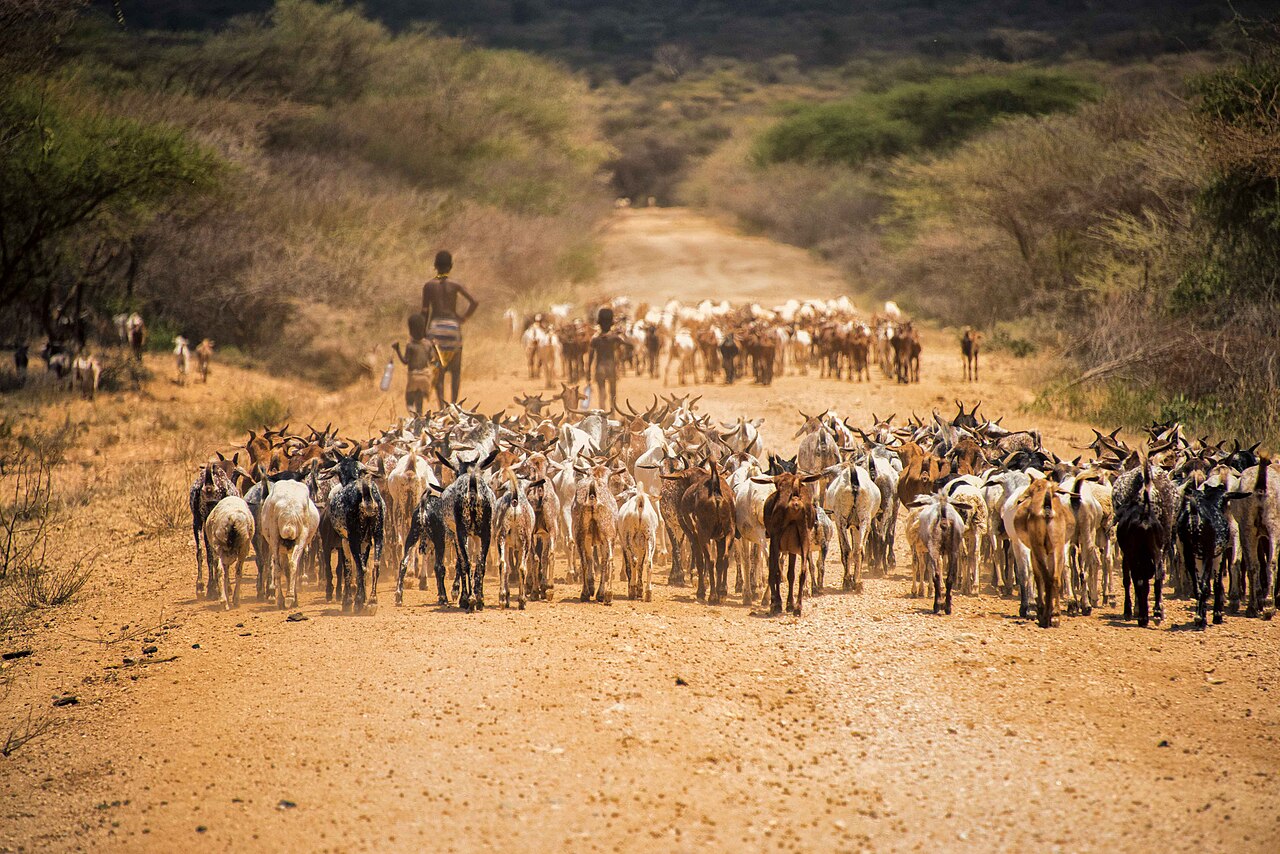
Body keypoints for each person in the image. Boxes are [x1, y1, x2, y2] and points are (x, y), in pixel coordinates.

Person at [421, 250, 478, 404]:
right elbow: (474, 302)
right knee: (456, 371)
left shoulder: (429, 286)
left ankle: (442, 408)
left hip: (435, 330)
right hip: (453, 328)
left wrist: (423, 334)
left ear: (435, 266)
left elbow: (424, 312)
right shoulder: (455, 285)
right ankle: (454, 406)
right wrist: (462, 318)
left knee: (439, 369)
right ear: (451, 266)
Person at [392, 314, 438, 415]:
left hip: (413, 376)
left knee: (409, 402)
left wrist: (397, 349)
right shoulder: (428, 344)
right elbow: (433, 361)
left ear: (410, 330)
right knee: (419, 403)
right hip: (426, 377)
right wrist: (439, 365)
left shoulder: (410, 345)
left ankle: (414, 417)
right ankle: (419, 420)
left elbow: (405, 362)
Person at [585, 307, 624, 413]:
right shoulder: (615, 338)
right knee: (613, 393)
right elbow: (622, 350)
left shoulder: (595, 339)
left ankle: (602, 414)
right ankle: (613, 414)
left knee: (602, 393)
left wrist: (588, 372)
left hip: (599, 367)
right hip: (611, 366)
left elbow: (591, 357)